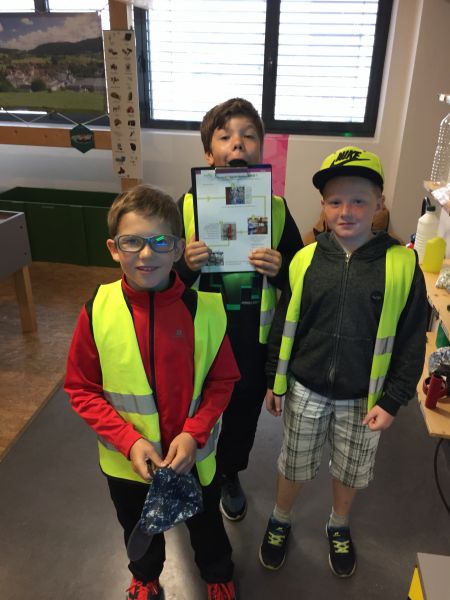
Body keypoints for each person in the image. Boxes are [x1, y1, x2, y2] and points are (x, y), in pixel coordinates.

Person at [64, 184, 240, 600]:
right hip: (129, 464)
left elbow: (222, 381)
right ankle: (144, 576)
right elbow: (81, 388)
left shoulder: (205, 311)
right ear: (114, 248)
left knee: (207, 524)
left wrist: (194, 433)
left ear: (178, 248)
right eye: (133, 242)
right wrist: (128, 441)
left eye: (161, 242)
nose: (147, 254)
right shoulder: (97, 310)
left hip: (192, 456)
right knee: (138, 526)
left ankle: (218, 574)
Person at [259, 146, 427, 578]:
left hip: (364, 398)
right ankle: (280, 517)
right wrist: (274, 379)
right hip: (306, 387)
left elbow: (411, 340)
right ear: (323, 205)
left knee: (351, 470)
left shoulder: (401, 264)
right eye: (335, 201)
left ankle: (339, 523)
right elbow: (285, 323)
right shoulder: (305, 260)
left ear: (379, 203)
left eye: (358, 201)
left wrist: (393, 400)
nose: (346, 211)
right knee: (293, 461)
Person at [175, 98, 303, 521]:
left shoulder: (277, 209)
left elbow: (299, 277)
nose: (238, 143)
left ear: (260, 150)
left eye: (249, 135)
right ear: (209, 153)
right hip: (200, 339)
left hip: (251, 339)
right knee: (194, 408)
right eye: (225, 136)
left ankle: (230, 472)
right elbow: (160, 278)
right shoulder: (186, 206)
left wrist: (281, 268)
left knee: (243, 413)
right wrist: (185, 265)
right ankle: (189, 473)